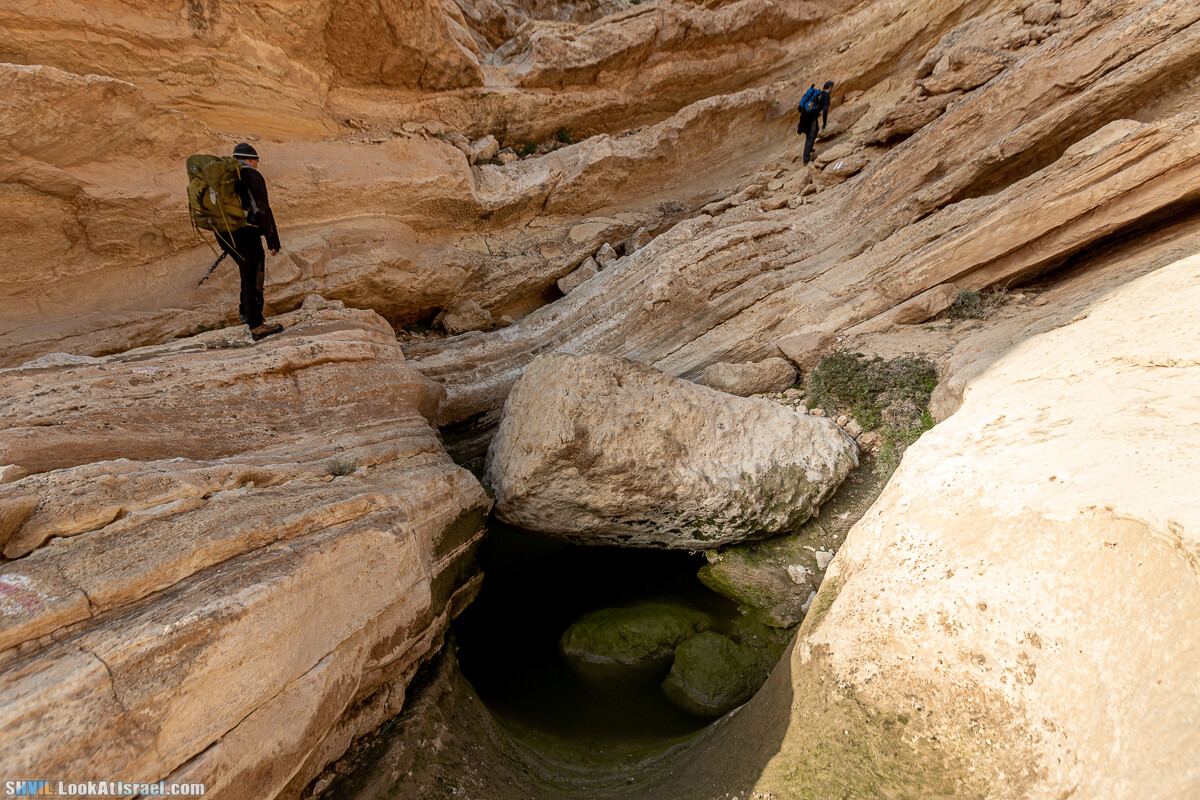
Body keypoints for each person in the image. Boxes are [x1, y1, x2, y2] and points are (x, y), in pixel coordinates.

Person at [217, 142, 283, 340]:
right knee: (253, 276)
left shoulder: (223, 175)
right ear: (251, 159)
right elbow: (261, 208)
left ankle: (246, 315)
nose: (256, 165)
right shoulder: (250, 175)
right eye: (256, 161)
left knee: (246, 273)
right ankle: (256, 325)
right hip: (245, 232)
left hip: (224, 232)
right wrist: (273, 240)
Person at [798, 80, 834, 165]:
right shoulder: (826, 96)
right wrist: (824, 124)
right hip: (811, 117)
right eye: (832, 87)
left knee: (814, 130)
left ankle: (809, 149)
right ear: (829, 87)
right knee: (811, 136)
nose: (832, 89)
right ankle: (806, 160)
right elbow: (825, 110)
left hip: (805, 116)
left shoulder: (819, 93)